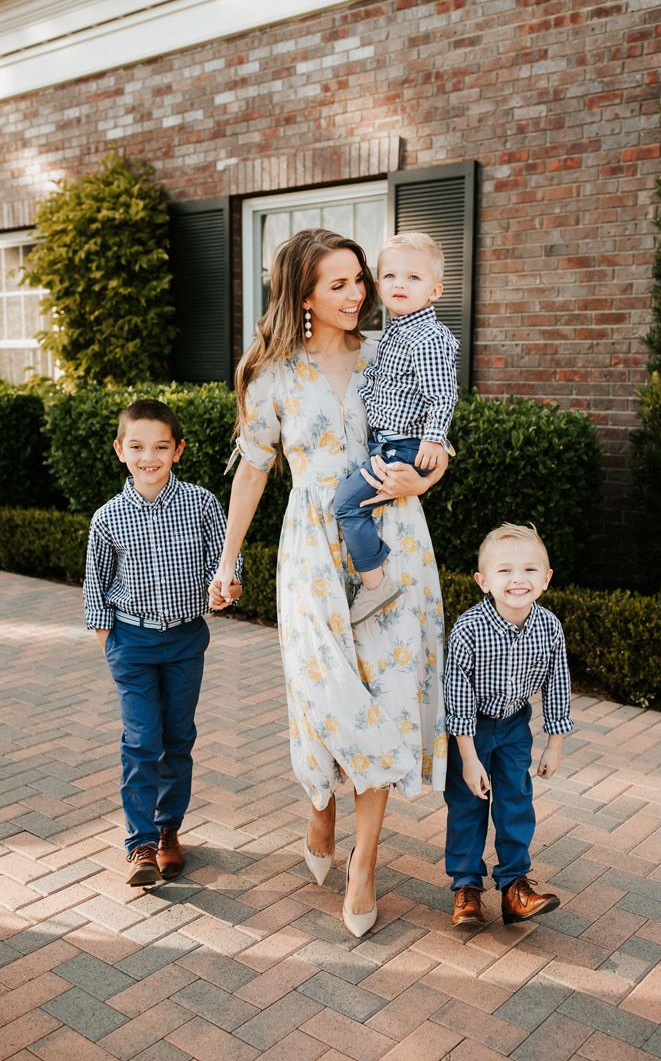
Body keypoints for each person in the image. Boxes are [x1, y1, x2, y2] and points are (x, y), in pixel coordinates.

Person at [210, 229, 448, 937]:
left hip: (395, 540)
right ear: (303, 292)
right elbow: (253, 469)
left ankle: (367, 860)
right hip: (312, 549)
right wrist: (228, 561)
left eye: (359, 280)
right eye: (339, 283)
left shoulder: (392, 351)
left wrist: (425, 476)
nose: (358, 294)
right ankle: (321, 797)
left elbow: (439, 445)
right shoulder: (273, 374)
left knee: (388, 694)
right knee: (325, 693)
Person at [83, 398, 243, 886]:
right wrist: (110, 641)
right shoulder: (108, 518)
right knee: (140, 741)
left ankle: (168, 828)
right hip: (131, 641)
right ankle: (140, 846)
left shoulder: (201, 504)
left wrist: (228, 588)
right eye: (136, 446)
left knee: (177, 739)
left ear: (178, 450)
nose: (147, 456)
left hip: (185, 641)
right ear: (119, 450)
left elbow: (227, 565)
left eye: (159, 446)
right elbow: (96, 588)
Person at [443, 522, 573, 926]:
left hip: (516, 725)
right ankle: (466, 887)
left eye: (530, 570)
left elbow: (558, 683)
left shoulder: (549, 627)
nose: (518, 579)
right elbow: (457, 694)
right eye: (505, 571)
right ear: (484, 582)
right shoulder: (469, 630)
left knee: (516, 802)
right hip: (472, 729)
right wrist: (468, 757)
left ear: (546, 579)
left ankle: (515, 887)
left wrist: (554, 744)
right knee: (468, 804)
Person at [333, 232, 459, 626]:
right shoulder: (394, 334)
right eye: (390, 276)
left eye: (413, 278)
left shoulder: (427, 337)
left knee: (346, 505)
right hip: (389, 444)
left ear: (435, 291)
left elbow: (442, 396)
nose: (399, 284)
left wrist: (435, 440)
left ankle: (375, 585)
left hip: (401, 450)